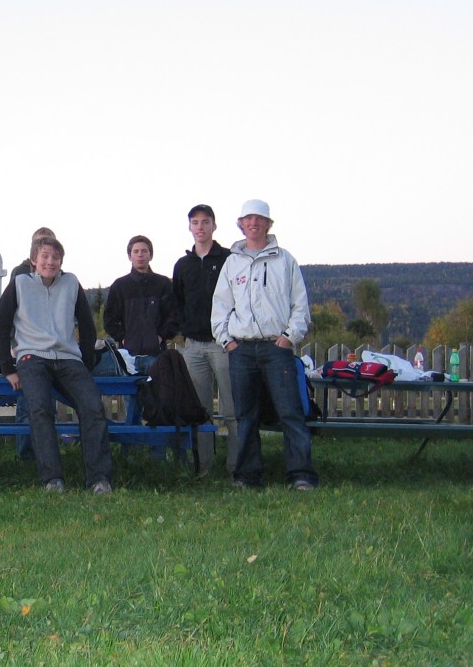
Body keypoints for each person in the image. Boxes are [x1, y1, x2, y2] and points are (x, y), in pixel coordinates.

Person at [0, 236, 112, 495]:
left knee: (92, 407)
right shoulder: (20, 283)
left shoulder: (71, 283)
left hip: (68, 358)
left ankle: (99, 479)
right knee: (40, 409)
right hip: (32, 357)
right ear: (34, 260)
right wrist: (7, 369)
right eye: (44, 256)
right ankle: (52, 479)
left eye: (56, 257)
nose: (50, 262)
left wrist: (86, 362)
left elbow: (87, 326)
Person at [211, 199, 318, 490]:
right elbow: (220, 307)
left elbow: (300, 305)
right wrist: (227, 341)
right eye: (248, 219)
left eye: (259, 219)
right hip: (241, 350)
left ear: (268, 224)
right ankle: (248, 476)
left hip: (276, 348)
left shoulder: (285, 260)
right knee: (245, 416)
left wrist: (289, 337)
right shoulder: (232, 263)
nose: (254, 223)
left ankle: (301, 475)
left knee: (290, 413)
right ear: (241, 224)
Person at [172, 204, 236, 475]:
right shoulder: (182, 265)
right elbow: (177, 301)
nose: (200, 227)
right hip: (194, 347)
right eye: (195, 222)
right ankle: (204, 468)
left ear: (214, 226)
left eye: (205, 222)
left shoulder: (229, 259)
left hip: (224, 345)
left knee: (232, 410)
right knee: (200, 410)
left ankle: (237, 468)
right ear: (190, 227)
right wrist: (183, 331)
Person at [103, 235, 179, 375]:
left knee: (159, 389)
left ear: (151, 255)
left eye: (144, 251)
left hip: (157, 356)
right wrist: (124, 338)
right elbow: (109, 320)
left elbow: (173, 316)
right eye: (136, 251)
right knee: (129, 390)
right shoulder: (120, 286)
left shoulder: (163, 284)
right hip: (128, 358)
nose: (140, 255)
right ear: (129, 256)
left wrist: (160, 337)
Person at [10, 226, 55, 458]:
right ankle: (25, 454)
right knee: (27, 403)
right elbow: (9, 312)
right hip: (25, 348)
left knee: (48, 404)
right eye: (40, 242)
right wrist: (13, 344)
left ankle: (47, 453)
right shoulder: (20, 274)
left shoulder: (60, 276)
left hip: (53, 351)